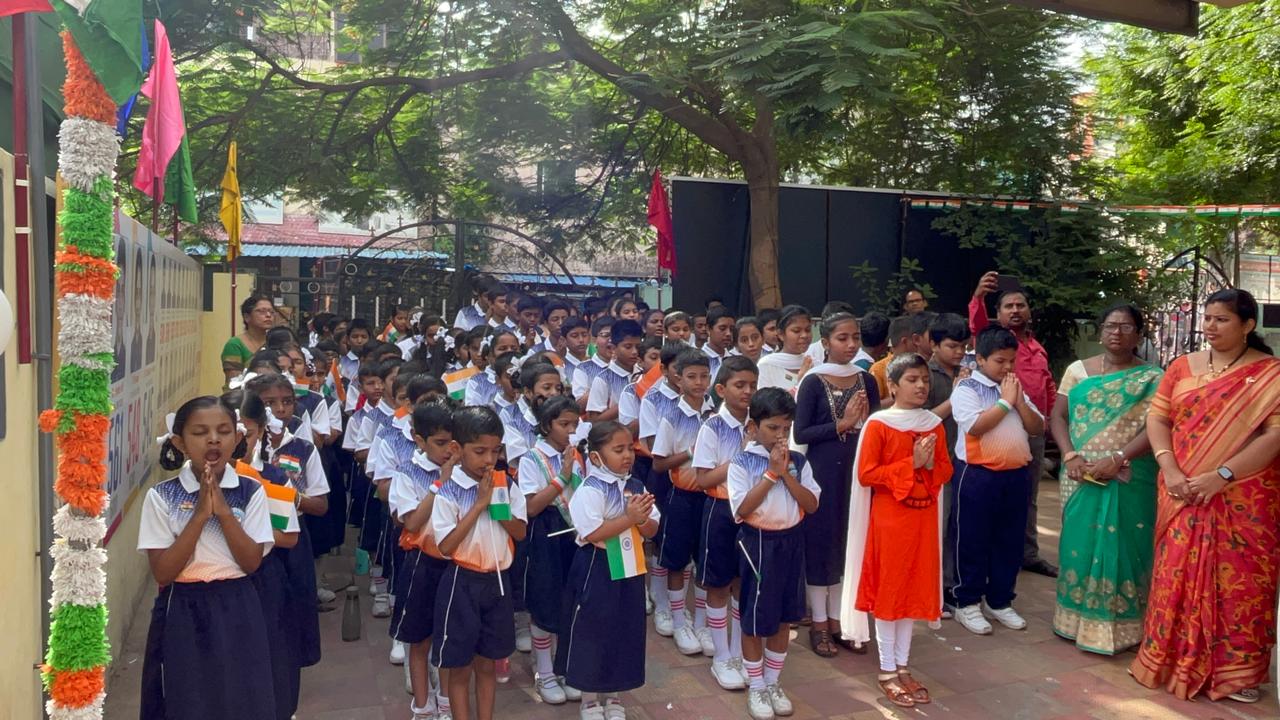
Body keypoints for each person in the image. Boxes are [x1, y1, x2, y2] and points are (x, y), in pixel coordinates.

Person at [1131, 289, 1280, 703]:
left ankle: (1237, 674)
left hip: (1242, 497)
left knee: (1241, 584)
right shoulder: (1182, 366)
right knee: (1174, 573)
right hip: (1180, 490)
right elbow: (1158, 418)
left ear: (1247, 325)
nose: (1210, 327)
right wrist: (1170, 469)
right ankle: (1169, 659)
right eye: (1208, 318)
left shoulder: (1270, 374)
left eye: (1222, 319)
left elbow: (1275, 436)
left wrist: (1223, 475)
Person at [138, 396, 276, 720]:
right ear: (179, 443)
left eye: (223, 431)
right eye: (200, 432)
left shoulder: (251, 491)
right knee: (189, 699)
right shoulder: (162, 496)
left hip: (238, 603)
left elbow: (251, 563)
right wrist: (200, 515)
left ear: (237, 438)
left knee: (242, 696)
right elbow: (163, 573)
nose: (213, 440)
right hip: (184, 607)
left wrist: (223, 512)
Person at [1048, 303, 1161, 656]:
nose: (1117, 333)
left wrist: (1119, 457)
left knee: (1129, 543)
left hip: (1130, 475)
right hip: (1079, 474)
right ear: (1100, 331)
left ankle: (1126, 624)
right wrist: (1070, 456)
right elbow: (1058, 417)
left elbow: (1158, 426)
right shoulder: (1077, 371)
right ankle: (1073, 620)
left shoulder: (1153, 378)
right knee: (1078, 542)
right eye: (1111, 326)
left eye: (1126, 327)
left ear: (1139, 335)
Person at [848, 354, 952, 710]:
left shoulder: (933, 424)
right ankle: (887, 669)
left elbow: (945, 471)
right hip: (891, 520)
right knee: (890, 592)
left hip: (923, 518)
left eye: (924, 379)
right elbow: (867, 475)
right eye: (912, 379)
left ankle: (903, 665)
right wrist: (912, 464)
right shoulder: (879, 424)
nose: (921, 385)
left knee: (913, 589)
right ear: (892, 386)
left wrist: (928, 465)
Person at [555, 421, 659, 720]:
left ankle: (614, 694)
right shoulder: (590, 489)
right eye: (618, 450)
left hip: (630, 565)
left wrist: (642, 520)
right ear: (596, 457)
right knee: (593, 629)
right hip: (597, 566)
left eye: (629, 449)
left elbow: (652, 528)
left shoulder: (635, 485)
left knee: (624, 628)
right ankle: (589, 698)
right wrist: (630, 518)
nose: (627, 455)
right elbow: (593, 533)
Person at [727, 388, 820, 720]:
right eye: (772, 428)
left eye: (786, 428)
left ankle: (772, 681)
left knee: (784, 617)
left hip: (791, 542)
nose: (781, 435)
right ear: (754, 427)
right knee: (755, 619)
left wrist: (786, 475)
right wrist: (770, 474)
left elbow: (811, 504)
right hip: (758, 543)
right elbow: (742, 509)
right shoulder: (742, 462)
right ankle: (756, 685)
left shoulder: (799, 462)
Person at [431, 406, 528, 720]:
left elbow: (520, 532)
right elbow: (446, 546)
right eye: (480, 451)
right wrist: (479, 504)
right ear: (457, 449)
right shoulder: (449, 491)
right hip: (462, 582)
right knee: (459, 668)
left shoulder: (506, 484)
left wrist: (497, 505)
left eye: (495, 451)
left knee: (487, 664)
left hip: (497, 581)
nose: (489, 459)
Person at [947, 326, 1045, 636]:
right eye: (1000, 361)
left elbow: (1037, 427)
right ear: (980, 359)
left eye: (1011, 361)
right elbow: (975, 426)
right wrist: (1005, 402)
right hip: (978, 475)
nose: (1007, 367)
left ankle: (1000, 600)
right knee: (972, 539)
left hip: (1015, 475)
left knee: (1010, 540)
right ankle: (967, 601)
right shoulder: (967, 388)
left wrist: (1018, 402)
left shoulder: (1014, 387)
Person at [793, 312, 874, 657]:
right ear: (825, 342)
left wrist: (862, 423)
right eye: (843, 338)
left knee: (847, 544)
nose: (851, 344)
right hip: (821, 472)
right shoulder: (813, 381)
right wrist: (843, 423)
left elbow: (874, 428)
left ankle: (842, 620)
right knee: (820, 545)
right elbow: (801, 433)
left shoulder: (866, 380)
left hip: (855, 473)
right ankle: (819, 623)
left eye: (855, 337)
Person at [970, 271, 1058, 577]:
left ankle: (1027, 553)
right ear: (998, 313)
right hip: (1000, 426)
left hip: (1033, 428)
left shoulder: (1037, 347)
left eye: (1021, 305)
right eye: (1008, 306)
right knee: (995, 493)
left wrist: (1050, 423)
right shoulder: (993, 342)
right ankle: (993, 553)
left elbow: (1047, 386)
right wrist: (979, 296)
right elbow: (977, 325)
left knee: (1028, 496)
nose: (1016, 310)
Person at [692, 355, 758, 690]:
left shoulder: (759, 424)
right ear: (721, 389)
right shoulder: (713, 427)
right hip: (720, 509)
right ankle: (721, 656)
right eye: (739, 385)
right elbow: (703, 479)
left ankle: (738, 651)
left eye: (752, 385)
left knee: (742, 583)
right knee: (718, 584)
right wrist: (740, 457)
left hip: (750, 512)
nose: (747, 392)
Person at [389, 403, 456, 720]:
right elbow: (413, 522)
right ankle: (422, 706)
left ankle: (445, 704)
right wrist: (440, 482)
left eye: (453, 442)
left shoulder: (463, 470)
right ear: (419, 440)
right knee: (419, 640)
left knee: (448, 640)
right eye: (440, 443)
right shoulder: (406, 473)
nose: (448, 450)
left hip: (455, 562)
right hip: (422, 564)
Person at [518, 396, 586, 705]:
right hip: (546, 533)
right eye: (564, 424)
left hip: (574, 533)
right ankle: (544, 671)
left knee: (571, 601)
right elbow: (531, 506)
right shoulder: (531, 459)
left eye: (575, 424)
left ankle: (565, 667)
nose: (571, 430)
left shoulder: (576, 455)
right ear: (547, 426)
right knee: (545, 601)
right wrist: (562, 477)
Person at [652, 348, 714, 656]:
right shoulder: (672, 416)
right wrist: (691, 452)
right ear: (679, 380)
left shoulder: (716, 415)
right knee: (677, 561)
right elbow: (658, 463)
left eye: (704, 376)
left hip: (711, 497)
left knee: (705, 561)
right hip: (682, 496)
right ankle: (679, 621)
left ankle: (702, 623)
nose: (699, 382)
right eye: (692, 377)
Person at [923, 312, 970, 614]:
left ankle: (950, 585)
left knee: (958, 527)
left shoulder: (968, 372)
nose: (959, 352)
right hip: (934, 464)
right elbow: (923, 419)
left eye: (963, 346)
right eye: (952, 346)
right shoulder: (924, 375)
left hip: (964, 462)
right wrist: (956, 397)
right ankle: (932, 588)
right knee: (937, 528)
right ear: (934, 344)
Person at [587, 319, 643, 422]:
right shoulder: (603, 379)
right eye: (628, 347)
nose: (635, 352)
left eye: (638, 347)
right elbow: (594, 421)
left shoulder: (644, 374)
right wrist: (627, 400)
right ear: (613, 348)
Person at [756, 305, 813, 393]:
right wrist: (801, 382)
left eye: (808, 330)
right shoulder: (766, 365)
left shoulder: (813, 363)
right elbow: (764, 400)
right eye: (796, 331)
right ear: (781, 334)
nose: (804, 335)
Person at [223, 295, 276, 385]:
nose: (268, 315)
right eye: (261, 311)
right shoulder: (235, 344)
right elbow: (234, 382)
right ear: (247, 317)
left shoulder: (274, 342)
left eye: (271, 312)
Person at [869, 316, 915, 403]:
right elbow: (873, 406)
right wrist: (900, 395)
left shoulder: (921, 364)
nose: (918, 343)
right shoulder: (878, 369)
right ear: (905, 341)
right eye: (915, 339)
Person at [702, 306, 736, 380]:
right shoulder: (696, 359)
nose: (728, 333)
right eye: (722, 329)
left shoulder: (736, 360)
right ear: (708, 329)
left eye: (731, 329)